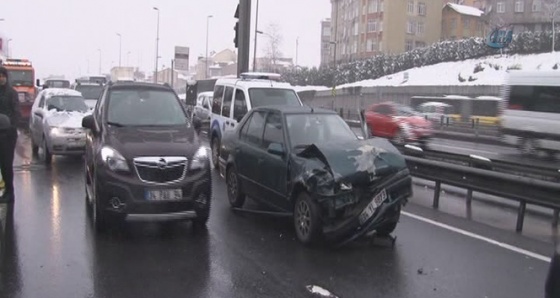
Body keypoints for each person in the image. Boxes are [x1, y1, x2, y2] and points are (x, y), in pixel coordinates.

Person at [0, 66, 20, 203]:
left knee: (6, 164)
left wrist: (11, 127)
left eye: (3, 76)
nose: (1, 78)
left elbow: (16, 113)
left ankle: (9, 191)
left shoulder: (12, 93)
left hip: (7, 134)